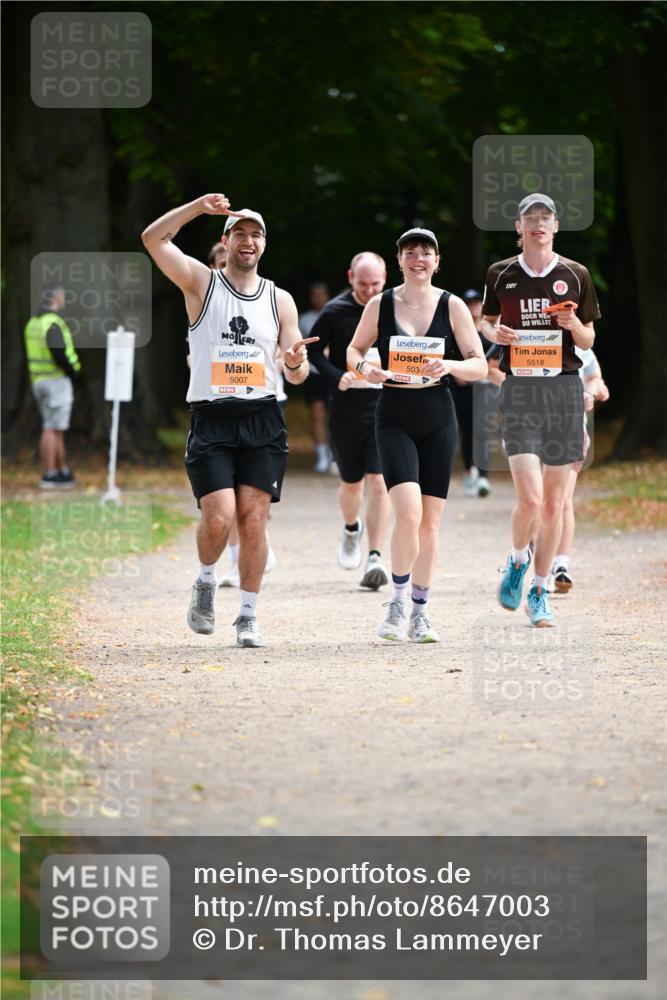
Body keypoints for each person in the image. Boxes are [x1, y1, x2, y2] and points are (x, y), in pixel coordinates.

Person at [142, 194, 315, 647]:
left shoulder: (279, 299)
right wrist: (198, 208)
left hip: (262, 416)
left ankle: (248, 616)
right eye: (241, 233)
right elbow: (152, 238)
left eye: (257, 235)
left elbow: (296, 371)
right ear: (227, 240)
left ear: (264, 246)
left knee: (253, 519)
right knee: (218, 517)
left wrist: (295, 362)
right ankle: (204, 581)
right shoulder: (201, 283)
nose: (249, 240)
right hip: (212, 418)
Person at [348, 228, 488, 642]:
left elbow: (479, 364)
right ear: (400, 261)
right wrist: (363, 369)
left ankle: (421, 611)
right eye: (411, 253)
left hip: (438, 417)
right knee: (407, 513)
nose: (418, 259)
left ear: (436, 261)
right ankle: (396, 601)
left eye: (426, 253)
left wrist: (449, 366)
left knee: (430, 524)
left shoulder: (454, 305)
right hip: (393, 415)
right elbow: (354, 350)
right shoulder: (381, 303)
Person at [480, 193, 601, 627]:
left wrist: (573, 326)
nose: (538, 225)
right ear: (519, 227)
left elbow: (588, 341)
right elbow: (485, 322)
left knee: (554, 505)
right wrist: (499, 332)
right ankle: (517, 560)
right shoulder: (501, 273)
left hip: (565, 391)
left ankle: (539, 590)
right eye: (530, 218)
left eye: (545, 218)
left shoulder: (576, 274)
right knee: (530, 499)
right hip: (521, 390)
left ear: (556, 226)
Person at [309, 252, 390, 589]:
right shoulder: (335, 312)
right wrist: (334, 376)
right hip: (345, 408)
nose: (369, 291)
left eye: (376, 284)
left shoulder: (395, 307)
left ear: (385, 278)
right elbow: (314, 350)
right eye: (362, 285)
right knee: (352, 482)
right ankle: (350, 528)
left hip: (383, 406)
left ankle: (375, 556)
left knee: (378, 480)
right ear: (350, 277)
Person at [550, 347, 609, 592]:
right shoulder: (533, 339)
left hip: (572, 432)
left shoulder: (581, 348)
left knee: (562, 500)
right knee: (541, 500)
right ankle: (537, 564)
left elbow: (598, 382)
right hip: (534, 433)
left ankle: (560, 565)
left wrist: (590, 394)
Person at [24, 286, 81, 489]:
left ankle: (60, 470)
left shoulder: (33, 323)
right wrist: (73, 372)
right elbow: (59, 354)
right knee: (51, 427)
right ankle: (50, 473)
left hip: (38, 380)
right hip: (56, 380)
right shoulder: (52, 323)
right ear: (57, 299)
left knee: (55, 427)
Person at [450, 288, 493, 498]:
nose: (473, 306)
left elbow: (495, 361)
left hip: (485, 388)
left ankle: (483, 476)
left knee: (483, 432)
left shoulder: (489, 331)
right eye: (470, 303)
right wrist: (460, 373)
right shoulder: (459, 329)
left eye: (477, 302)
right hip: (463, 388)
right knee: (467, 431)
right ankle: (469, 471)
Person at [299, 281, 333, 473]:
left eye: (322, 294)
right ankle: (322, 455)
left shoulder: (335, 314)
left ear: (327, 296)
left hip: (333, 372)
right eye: (315, 295)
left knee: (335, 415)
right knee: (317, 412)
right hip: (313, 372)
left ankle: (336, 454)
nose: (318, 298)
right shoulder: (304, 319)